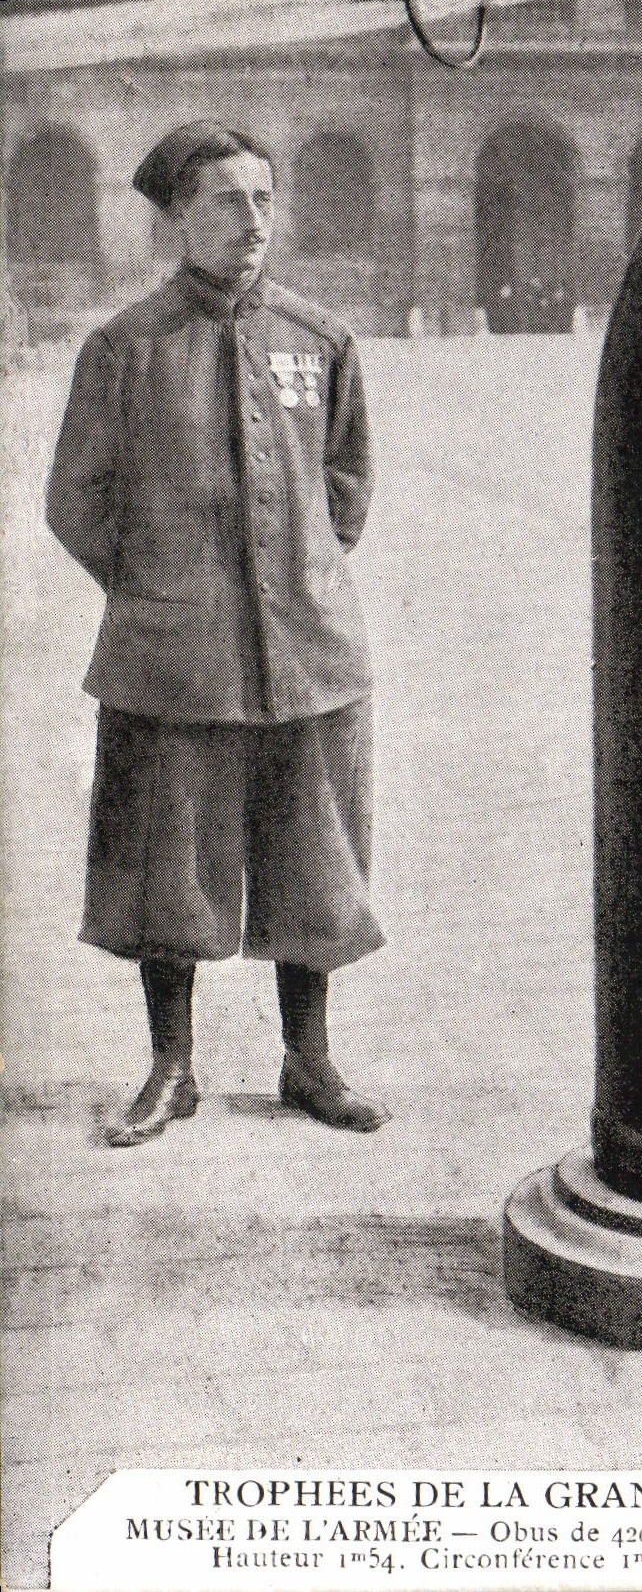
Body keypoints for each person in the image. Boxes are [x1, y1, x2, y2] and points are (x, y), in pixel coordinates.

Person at [46, 121, 391, 1147]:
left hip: (307, 649)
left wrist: (297, 577)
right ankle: (172, 1067)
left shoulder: (320, 339)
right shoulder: (125, 348)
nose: (255, 219)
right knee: (170, 863)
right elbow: (77, 499)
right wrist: (162, 586)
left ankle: (309, 1060)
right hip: (172, 656)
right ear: (178, 218)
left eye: (266, 199)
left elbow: (346, 484)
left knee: (315, 859)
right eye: (230, 201)